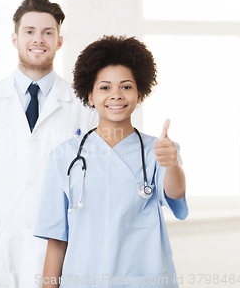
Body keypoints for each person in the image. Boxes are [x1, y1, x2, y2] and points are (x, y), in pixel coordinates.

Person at [0, 0, 98, 288]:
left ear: (59, 41)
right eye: (29, 31)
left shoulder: (83, 105)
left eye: (47, 32)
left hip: (64, 252)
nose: (38, 39)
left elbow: (94, 180)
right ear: (15, 39)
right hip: (3, 251)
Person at [34, 35, 188, 288]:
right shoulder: (64, 156)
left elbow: (174, 192)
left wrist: (171, 164)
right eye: (105, 87)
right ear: (90, 96)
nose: (116, 95)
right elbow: (56, 238)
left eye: (126, 87)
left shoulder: (158, 150)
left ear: (140, 95)